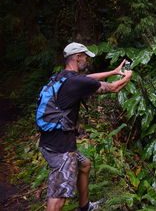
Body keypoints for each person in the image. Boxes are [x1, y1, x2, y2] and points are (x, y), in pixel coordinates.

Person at [38, 42, 132, 211]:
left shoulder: (62, 76)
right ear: (77, 57)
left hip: (50, 140)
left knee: (84, 164)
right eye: (85, 56)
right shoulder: (75, 82)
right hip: (61, 147)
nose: (87, 60)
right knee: (58, 196)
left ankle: (84, 207)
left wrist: (113, 72)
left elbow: (88, 79)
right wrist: (127, 76)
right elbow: (113, 88)